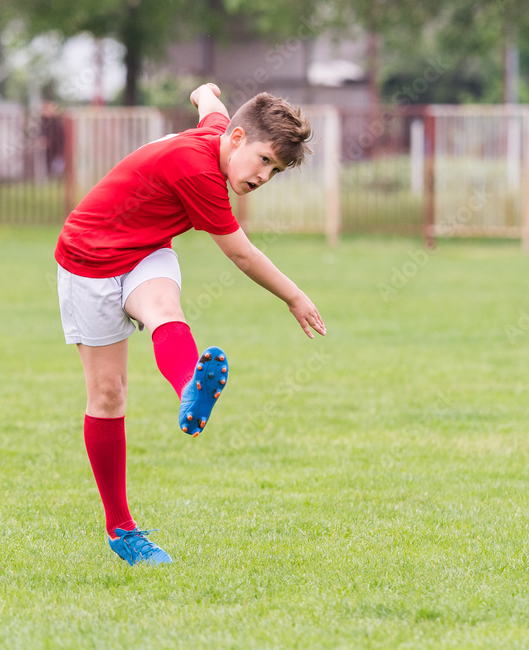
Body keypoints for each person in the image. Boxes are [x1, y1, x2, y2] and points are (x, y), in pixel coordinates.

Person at [54, 84, 326, 566]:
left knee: (164, 310)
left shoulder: (223, 136)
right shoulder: (198, 170)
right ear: (239, 139)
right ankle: (120, 529)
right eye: (264, 160)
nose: (264, 176)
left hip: (145, 252)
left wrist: (205, 93)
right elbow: (241, 254)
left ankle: (189, 387)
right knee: (109, 393)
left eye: (275, 171)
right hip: (87, 261)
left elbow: (213, 111)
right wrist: (295, 296)